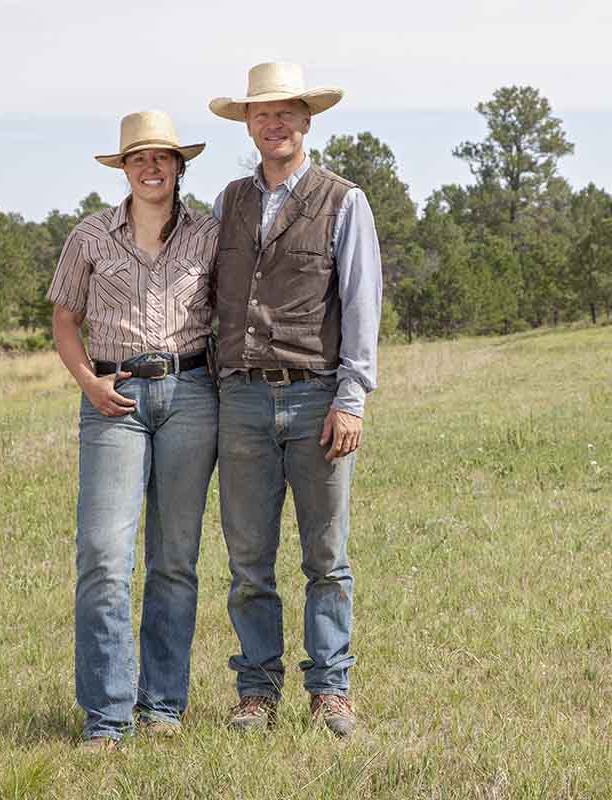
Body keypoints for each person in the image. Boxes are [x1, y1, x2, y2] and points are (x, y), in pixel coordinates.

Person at [208, 62, 382, 736]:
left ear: (307, 121)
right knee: (248, 561)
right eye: (261, 114)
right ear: (249, 126)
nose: (273, 124)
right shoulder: (229, 202)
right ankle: (257, 692)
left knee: (325, 559)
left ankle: (330, 691)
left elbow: (361, 305)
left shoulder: (345, 200)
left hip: (316, 400)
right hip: (242, 402)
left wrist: (352, 397)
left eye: (285, 113)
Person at [48, 110, 219, 749]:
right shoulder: (89, 237)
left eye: (163, 157)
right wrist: (89, 383)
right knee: (101, 555)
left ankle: (164, 707)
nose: (151, 166)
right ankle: (108, 715)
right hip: (112, 394)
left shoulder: (209, 235)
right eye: (138, 157)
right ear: (123, 167)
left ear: (179, 166)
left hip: (193, 393)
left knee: (174, 559)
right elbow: (66, 318)